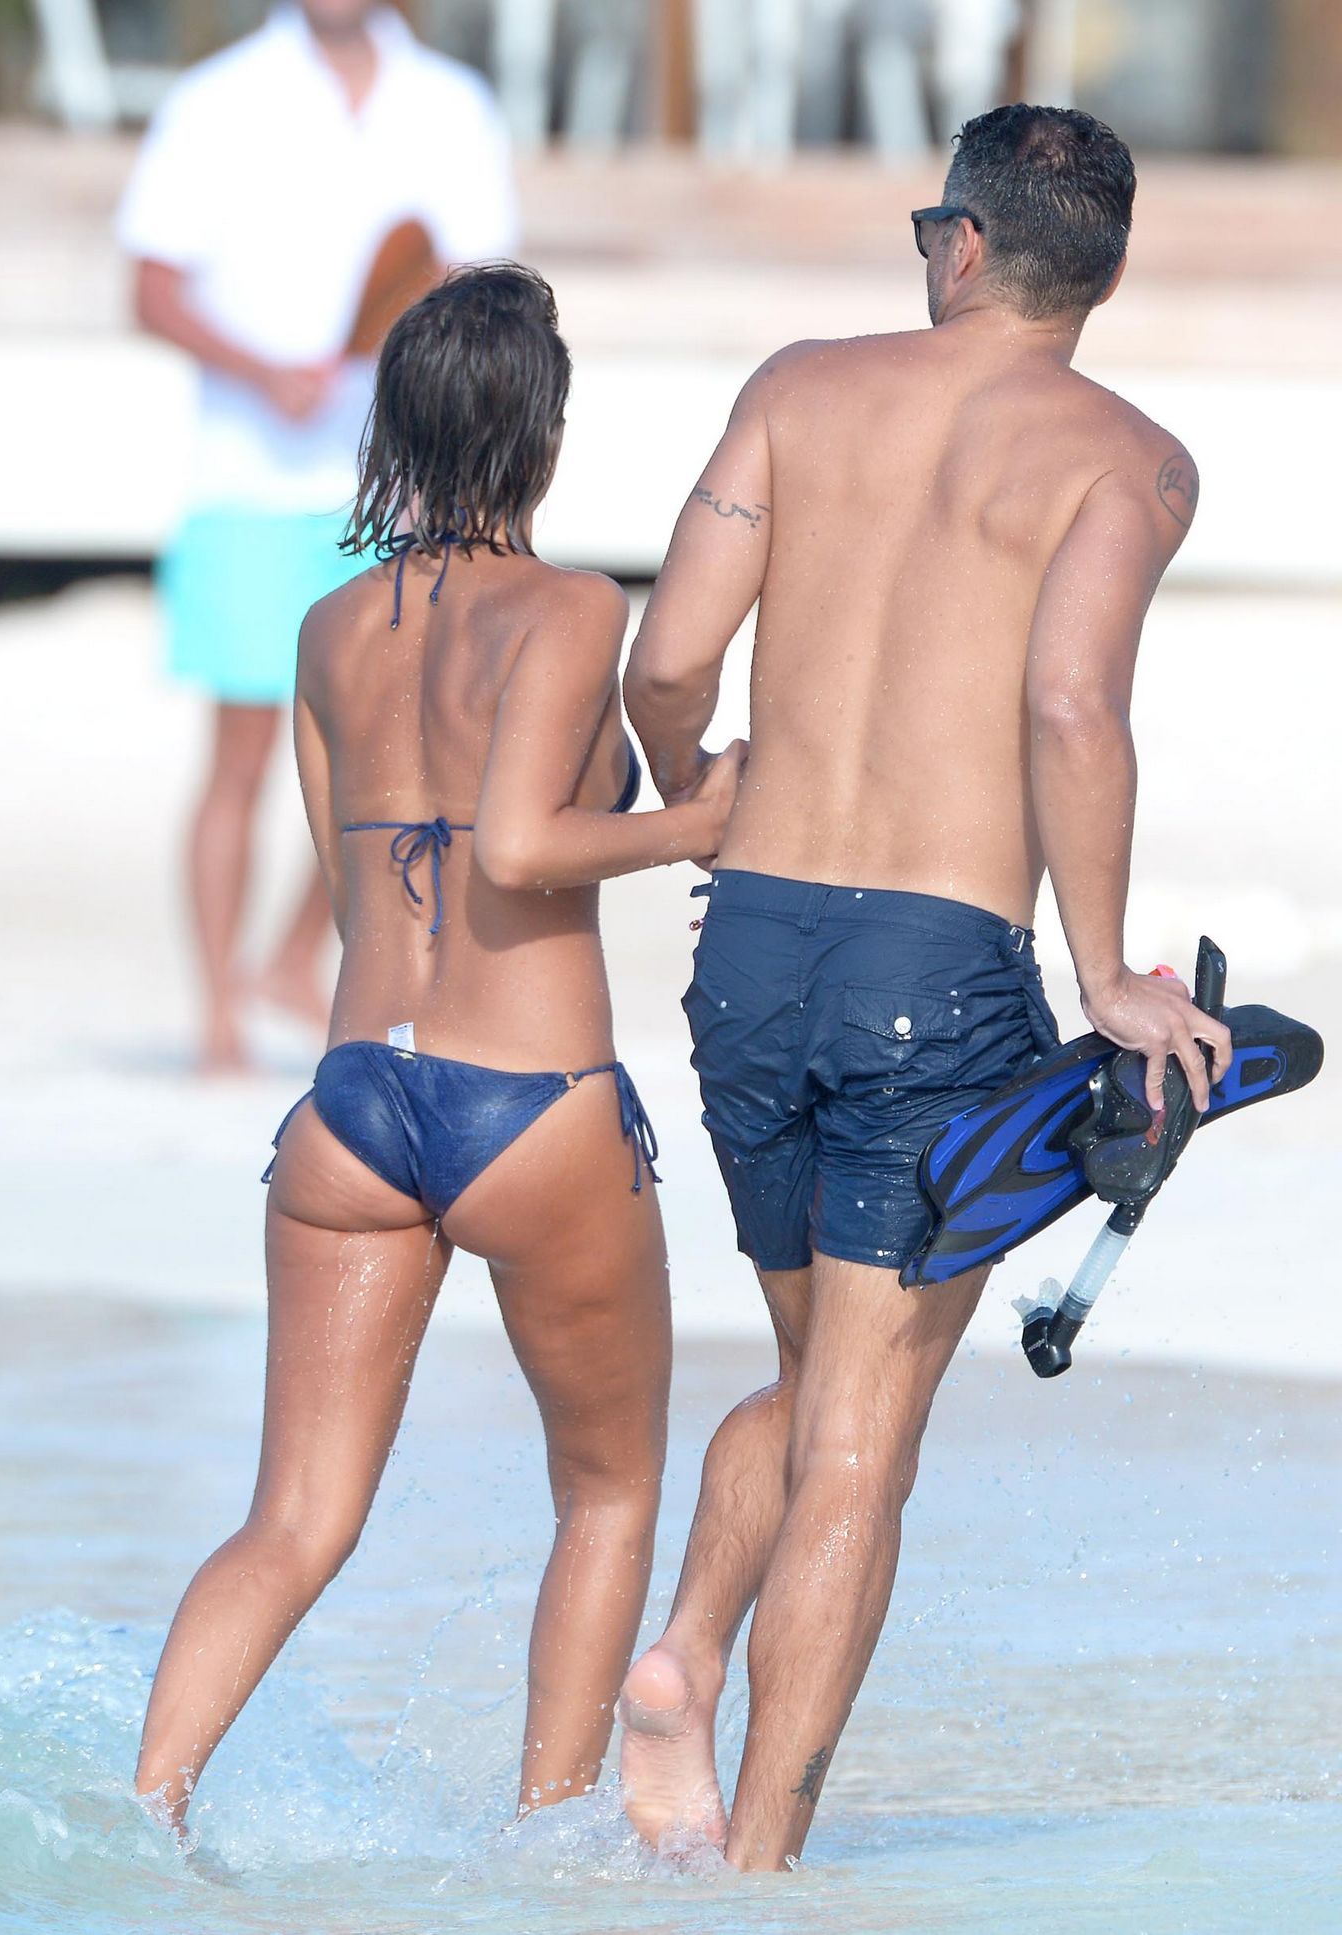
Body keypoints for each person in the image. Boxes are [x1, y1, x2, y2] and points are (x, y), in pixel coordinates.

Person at [617, 104, 1234, 1870]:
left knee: (817, 1371)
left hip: (748, 948)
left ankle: (683, 1655)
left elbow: (669, 656)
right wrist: (1105, 973)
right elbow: (1070, 705)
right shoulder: (1131, 459)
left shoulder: (798, 390)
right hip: (932, 966)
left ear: (960, 243)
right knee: (863, 1442)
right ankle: (760, 1879)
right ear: (1102, 270)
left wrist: (695, 790)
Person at [133, 264, 745, 1831]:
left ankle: (141, 1817)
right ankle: (545, 1849)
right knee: (606, 1490)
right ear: (542, 435)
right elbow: (521, 847)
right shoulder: (571, 608)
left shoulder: (329, 624)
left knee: (292, 1520)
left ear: (391, 424)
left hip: (352, 1101)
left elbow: (358, 884)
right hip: (528, 1099)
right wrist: (694, 824)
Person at [117, 2, 516, 1070]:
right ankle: (216, 1014)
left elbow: (476, 288)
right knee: (242, 757)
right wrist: (263, 372)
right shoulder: (216, 99)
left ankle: (292, 962)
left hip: (398, 486)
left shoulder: (451, 104)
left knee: (388, 757)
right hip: (245, 482)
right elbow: (150, 289)